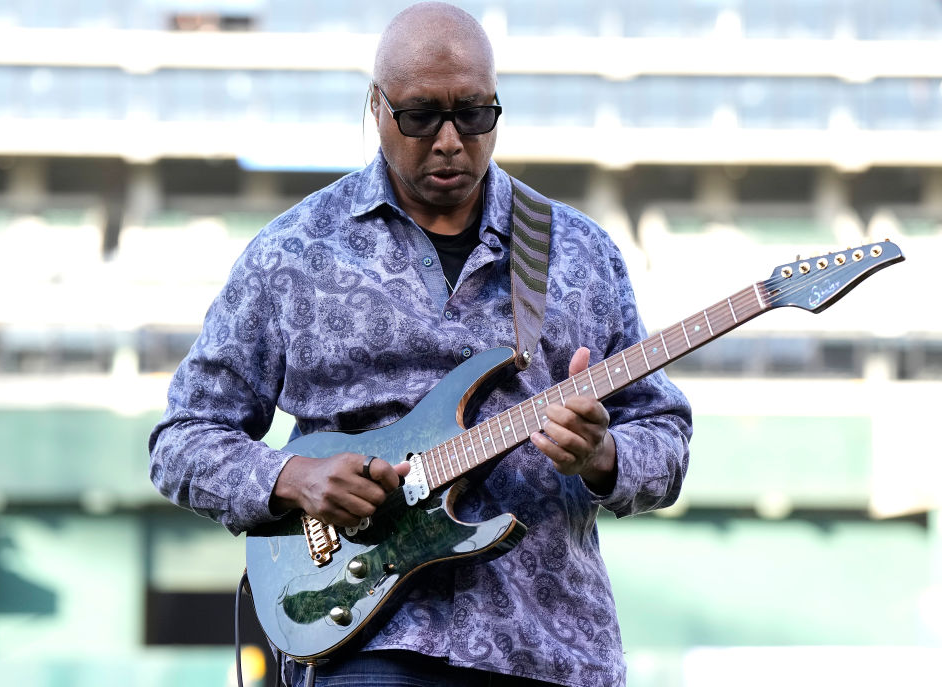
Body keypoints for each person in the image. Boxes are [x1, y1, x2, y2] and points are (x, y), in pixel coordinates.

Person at [148, 3, 691, 686]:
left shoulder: (581, 253)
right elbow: (182, 438)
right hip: (366, 642)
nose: (448, 140)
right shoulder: (292, 253)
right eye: (420, 114)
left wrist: (603, 454)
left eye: (473, 114)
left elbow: (664, 433)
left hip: (551, 645)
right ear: (375, 106)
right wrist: (294, 479)